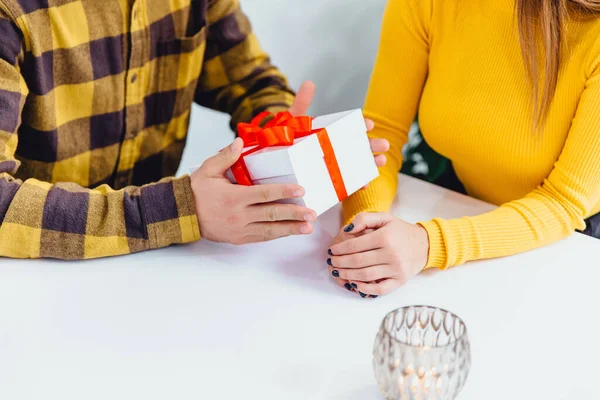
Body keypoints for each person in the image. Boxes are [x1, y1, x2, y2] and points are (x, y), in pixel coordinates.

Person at [0, 0, 388, 259]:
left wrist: (281, 138)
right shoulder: (11, 11)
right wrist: (178, 208)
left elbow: (253, 82)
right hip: (37, 271)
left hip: (160, 264)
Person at [327, 0, 600, 298]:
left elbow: (563, 203)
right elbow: (382, 133)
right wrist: (368, 226)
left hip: (576, 241)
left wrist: (428, 244)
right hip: (464, 204)